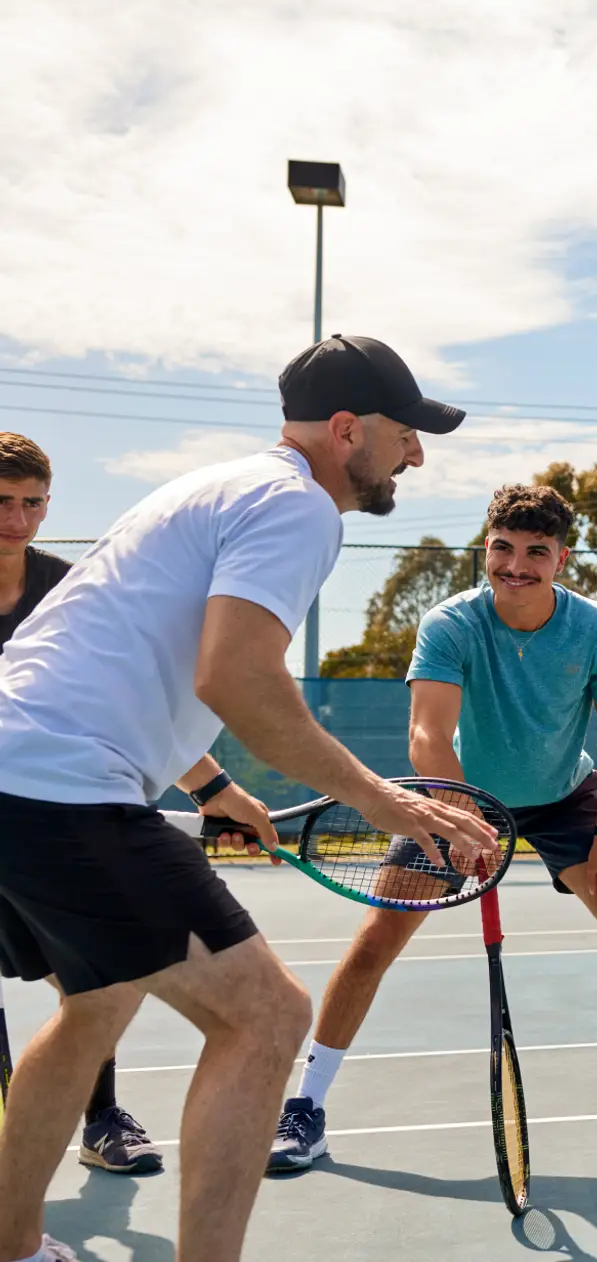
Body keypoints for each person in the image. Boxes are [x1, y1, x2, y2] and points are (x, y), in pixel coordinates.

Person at [0, 334, 499, 1262]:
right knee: (266, 1016)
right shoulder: (300, 508)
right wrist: (385, 801)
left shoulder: (214, 486)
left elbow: (128, 654)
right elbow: (235, 675)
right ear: (348, 429)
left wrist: (215, 785)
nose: (416, 454)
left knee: (98, 1003)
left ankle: (12, 1244)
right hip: (60, 788)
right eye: (406, 433)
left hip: (17, 770)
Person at [268, 483, 597, 1171]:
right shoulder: (451, 624)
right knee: (376, 941)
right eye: (503, 548)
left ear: (561, 558)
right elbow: (428, 734)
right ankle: (305, 1106)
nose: (516, 565)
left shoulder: (596, 629)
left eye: (535, 553)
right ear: (486, 548)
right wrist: (462, 819)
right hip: (459, 799)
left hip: (562, 798)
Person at [0, 435, 162, 1174]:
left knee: (91, 978)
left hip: (42, 818)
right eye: (3, 503)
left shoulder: (63, 589)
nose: (18, 520)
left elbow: (113, 694)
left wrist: (211, 786)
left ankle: (101, 1122)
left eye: (33, 503)